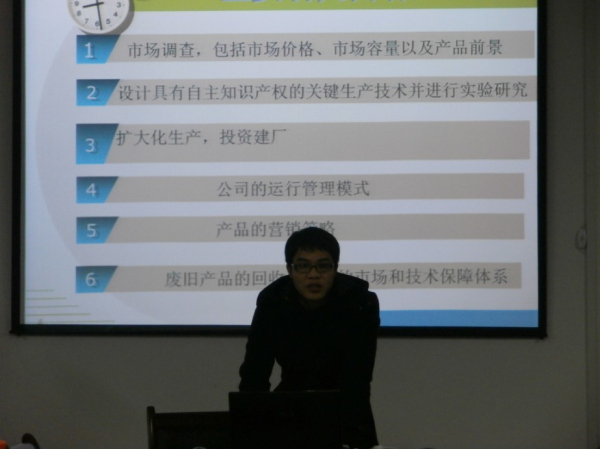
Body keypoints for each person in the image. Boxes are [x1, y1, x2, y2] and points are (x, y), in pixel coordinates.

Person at [239, 227, 380, 448]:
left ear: (335, 268)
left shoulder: (359, 303)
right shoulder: (272, 302)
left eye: (323, 266)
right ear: (290, 269)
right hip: (290, 410)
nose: (313, 275)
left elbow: (357, 380)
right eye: (303, 266)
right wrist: (253, 433)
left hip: (347, 413)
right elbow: (254, 375)